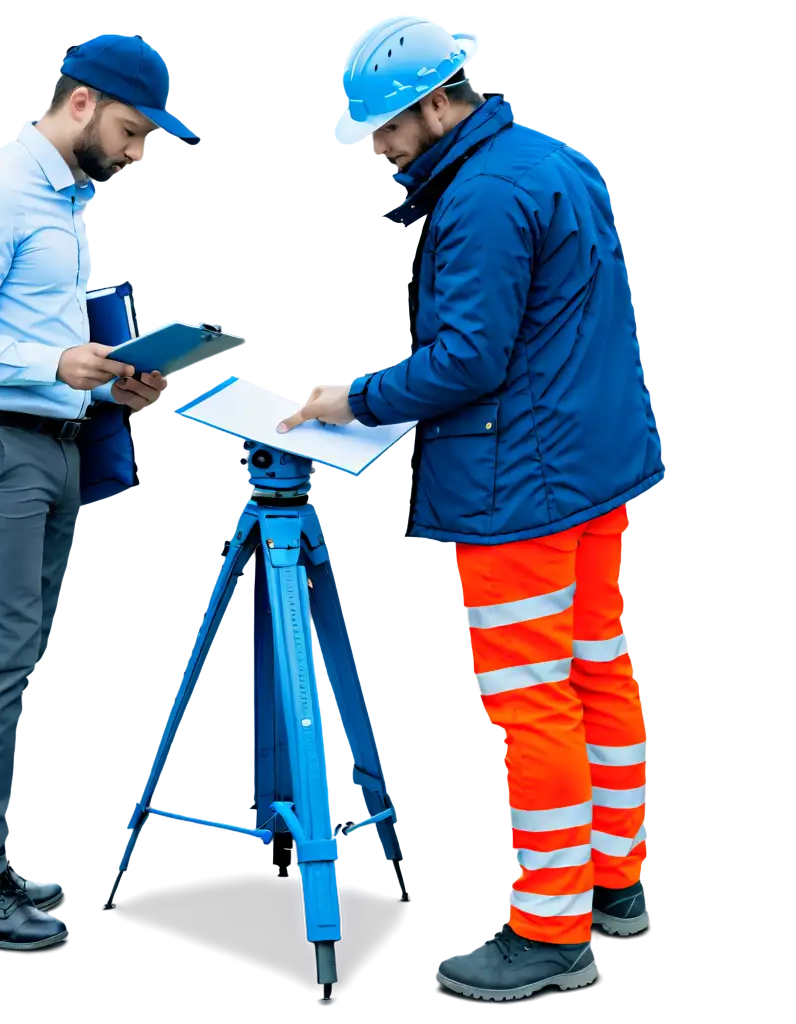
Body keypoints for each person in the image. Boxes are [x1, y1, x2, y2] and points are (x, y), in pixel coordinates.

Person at [278, 15, 664, 1001]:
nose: (376, 146)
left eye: (387, 126)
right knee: (597, 671)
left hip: (518, 489)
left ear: (438, 102)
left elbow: (469, 358)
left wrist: (349, 398)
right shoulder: (549, 158)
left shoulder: (481, 193)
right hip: (591, 470)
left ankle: (548, 932)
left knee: (530, 698)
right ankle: (612, 879)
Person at [0, 32, 200, 951]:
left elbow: (32, 327)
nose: (136, 153)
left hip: (48, 445)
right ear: (81, 103)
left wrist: (109, 375)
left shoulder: (63, 197)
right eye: (130, 130)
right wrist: (51, 360)